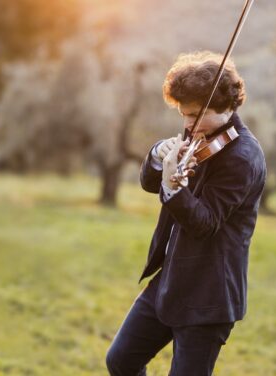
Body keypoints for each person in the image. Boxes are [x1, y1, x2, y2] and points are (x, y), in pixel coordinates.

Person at [105, 51, 266, 376]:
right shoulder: (199, 136)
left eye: (193, 116)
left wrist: (174, 188)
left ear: (225, 107)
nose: (186, 126)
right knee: (121, 360)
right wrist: (156, 157)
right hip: (172, 280)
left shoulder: (242, 158)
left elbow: (204, 223)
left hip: (209, 296)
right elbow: (151, 184)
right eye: (183, 115)